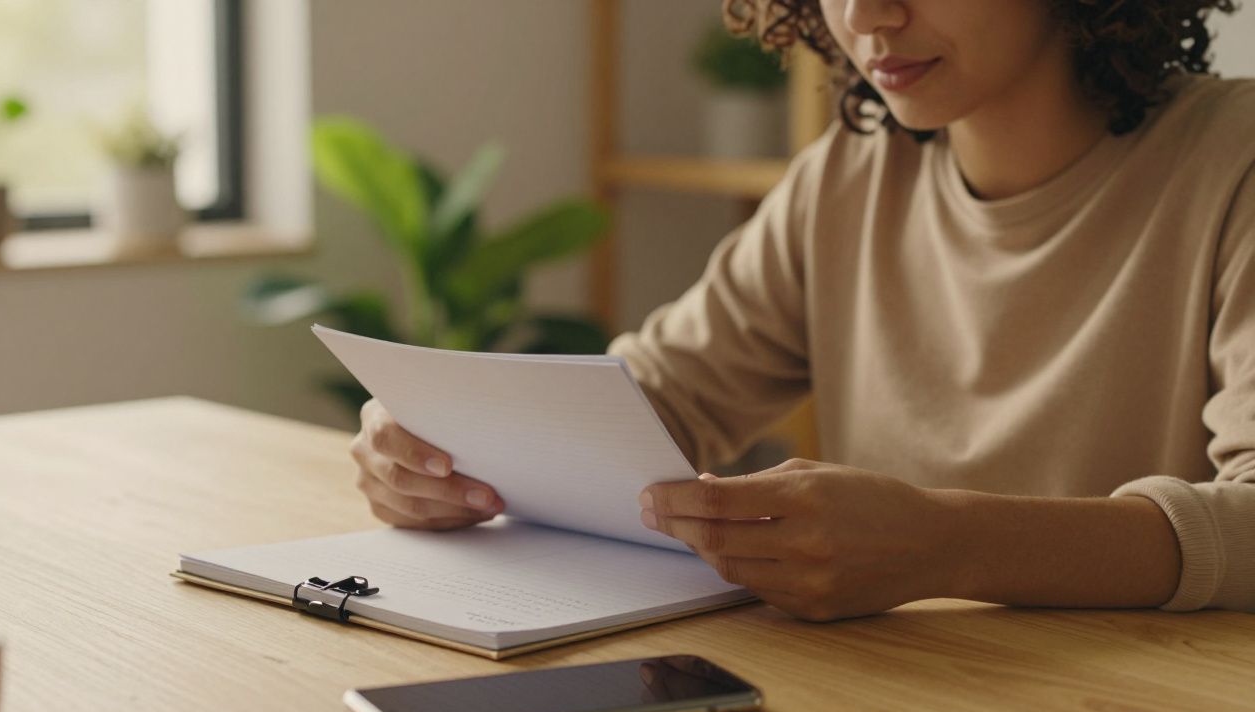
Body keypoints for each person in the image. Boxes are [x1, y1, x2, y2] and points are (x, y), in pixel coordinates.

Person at [350, 0, 1255, 621]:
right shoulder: (852, 175)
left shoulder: (1232, 164)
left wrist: (947, 545)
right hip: (895, 693)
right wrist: (451, 448)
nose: (865, 15)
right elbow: (661, 391)